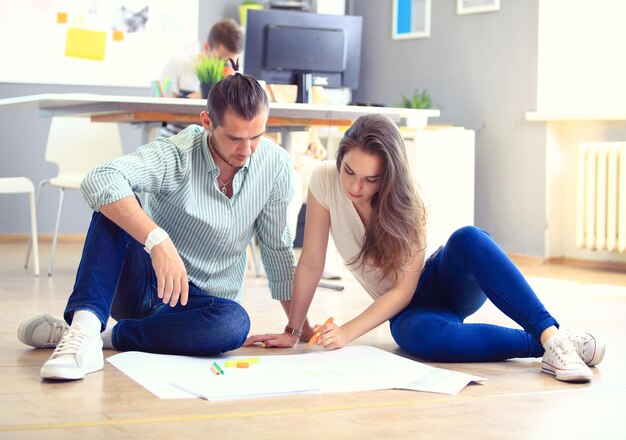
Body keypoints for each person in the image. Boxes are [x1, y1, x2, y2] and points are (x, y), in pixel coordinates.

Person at [245, 113, 606, 383]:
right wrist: (294, 330)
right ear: (339, 160)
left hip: (439, 282)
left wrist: (348, 331)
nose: (355, 187)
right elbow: (310, 262)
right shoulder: (324, 181)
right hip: (409, 311)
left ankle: (552, 336)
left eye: (370, 179)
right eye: (349, 172)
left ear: (387, 177)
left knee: (469, 237)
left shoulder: (407, 201)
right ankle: (548, 346)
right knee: (412, 336)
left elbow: (406, 287)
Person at [17, 72, 305, 380]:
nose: (246, 151)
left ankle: (99, 338)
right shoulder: (176, 153)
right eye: (234, 138)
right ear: (207, 122)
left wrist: (297, 328)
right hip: (146, 287)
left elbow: (276, 249)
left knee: (234, 325)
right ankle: (85, 328)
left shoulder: (275, 166)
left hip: (202, 309)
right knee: (113, 203)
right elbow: (100, 179)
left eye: (256, 136)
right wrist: (157, 240)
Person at [158, 19, 244, 136]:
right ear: (207, 47)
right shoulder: (178, 64)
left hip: (214, 143)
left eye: (231, 63)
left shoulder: (236, 74)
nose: (226, 68)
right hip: (176, 138)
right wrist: (194, 97)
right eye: (220, 61)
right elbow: (161, 111)